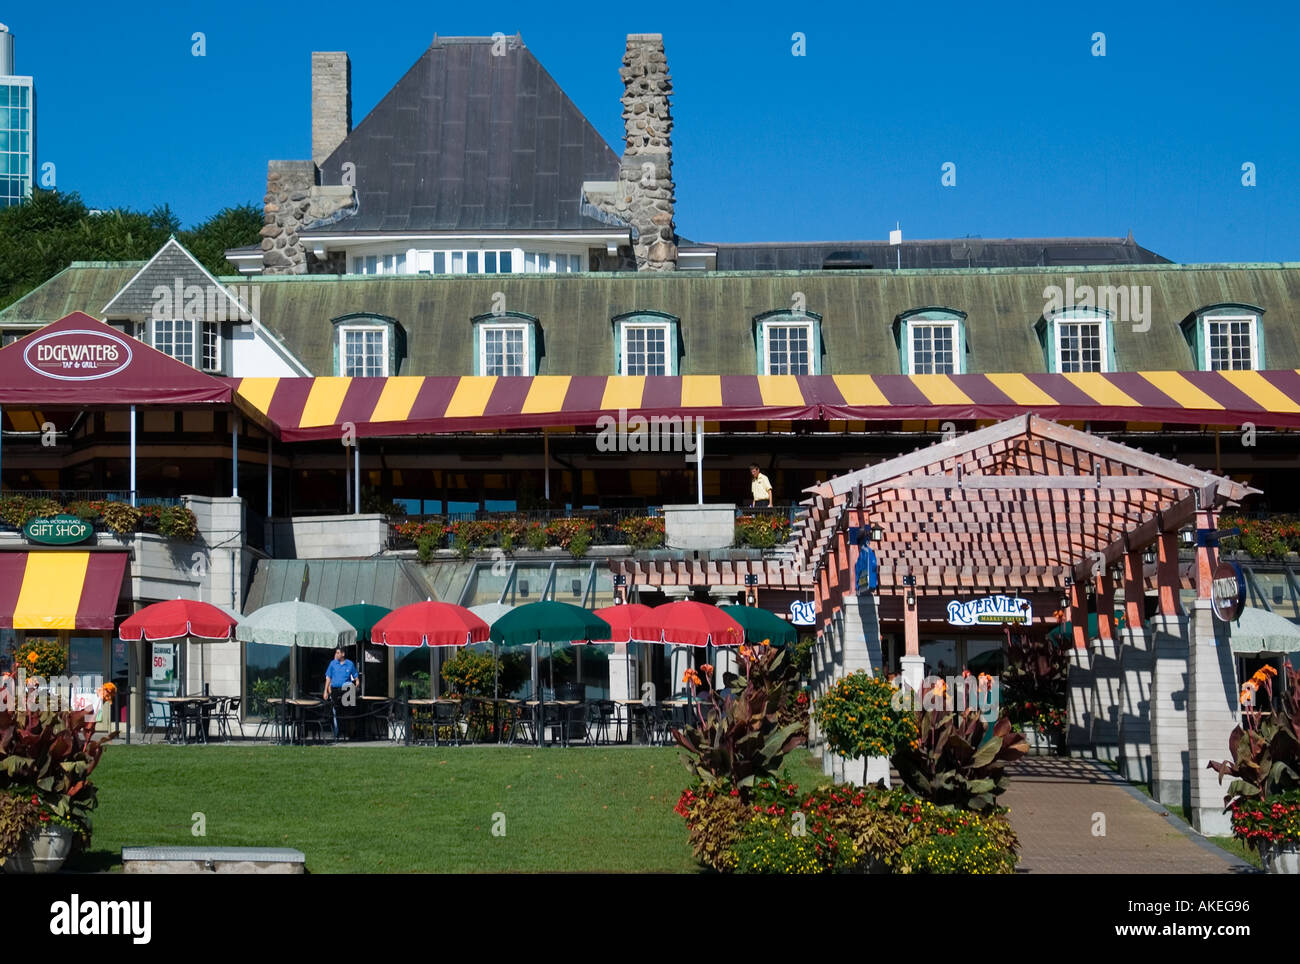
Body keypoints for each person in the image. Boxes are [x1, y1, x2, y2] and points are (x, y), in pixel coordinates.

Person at [323, 646, 358, 739]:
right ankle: (337, 733)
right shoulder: (332, 664)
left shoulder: (350, 664)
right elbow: (328, 678)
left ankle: (348, 733)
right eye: (336, 653)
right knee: (336, 711)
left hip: (347, 690)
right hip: (335, 689)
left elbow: (355, 676)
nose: (336, 654)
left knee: (347, 711)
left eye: (338, 653)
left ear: (343, 654)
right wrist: (325, 691)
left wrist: (356, 684)